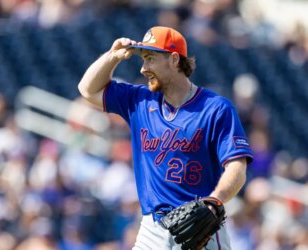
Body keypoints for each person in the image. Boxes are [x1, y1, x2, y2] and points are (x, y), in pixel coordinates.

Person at [78, 26, 253, 249]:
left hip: (200, 225)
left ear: (173, 59)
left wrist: (214, 201)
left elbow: (237, 168)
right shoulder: (139, 101)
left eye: (150, 58)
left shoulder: (215, 108)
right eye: (143, 59)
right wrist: (113, 57)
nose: (143, 68)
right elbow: (87, 90)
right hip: (153, 227)